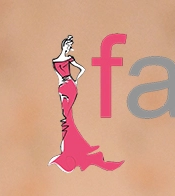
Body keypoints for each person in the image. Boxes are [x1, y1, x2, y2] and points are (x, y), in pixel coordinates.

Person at [49, 35, 123, 173]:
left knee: (68, 117)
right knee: (66, 117)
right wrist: (62, 87)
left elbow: (81, 70)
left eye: (70, 47)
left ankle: (70, 148)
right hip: (63, 88)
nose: (68, 48)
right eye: (67, 46)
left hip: (69, 86)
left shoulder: (69, 59)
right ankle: (71, 148)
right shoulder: (56, 61)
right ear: (64, 45)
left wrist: (74, 81)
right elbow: (59, 76)